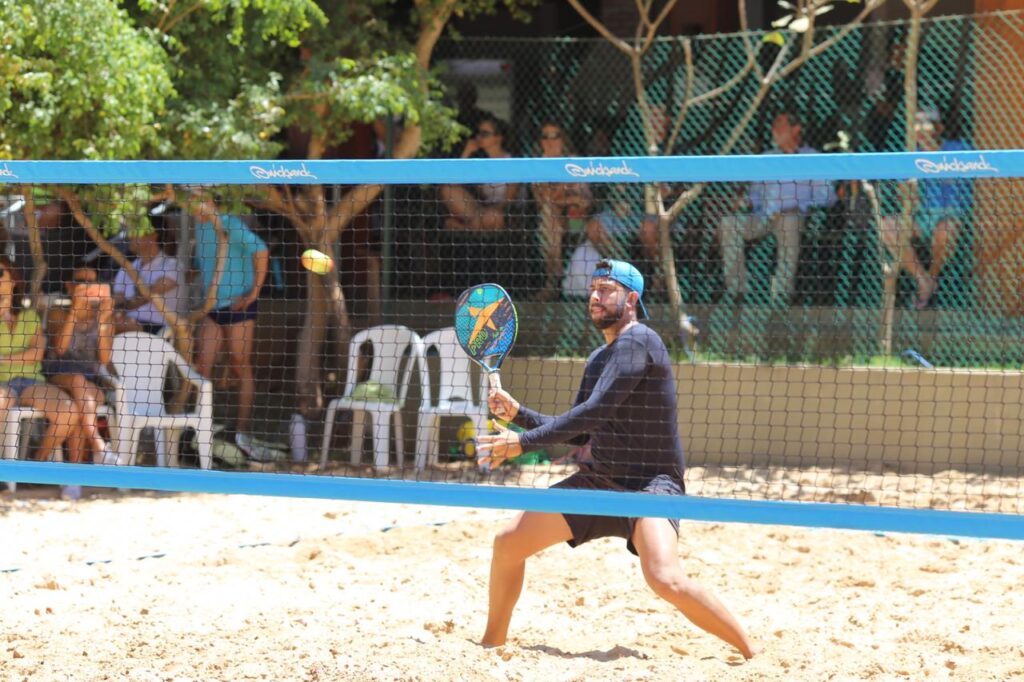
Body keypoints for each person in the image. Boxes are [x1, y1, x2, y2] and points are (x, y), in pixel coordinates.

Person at [476, 259, 757, 660]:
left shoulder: (639, 341)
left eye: (606, 289)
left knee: (665, 579)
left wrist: (523, 442)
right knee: (507, 543)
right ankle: (491, 643)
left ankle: (752, 653)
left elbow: (596, 411)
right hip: (599, 482)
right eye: (593, 288)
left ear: (632, 298)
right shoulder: (599, 358)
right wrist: (519, 414)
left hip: (650, 487)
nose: (594, 296)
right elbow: (581, 432)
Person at [716, 111, 836, 303]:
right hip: (763, 217)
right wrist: (745, 202)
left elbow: (827, 197)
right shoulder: (766, 157)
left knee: (789, 224)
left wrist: (799, 207)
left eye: (780, 125)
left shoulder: (812, 157)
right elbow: (755, 195)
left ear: (796, 129)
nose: (774, 130)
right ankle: (736, 290)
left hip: (794, 217)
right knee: (729, 224)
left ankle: (781, 294)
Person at [188, 192, 273, 461]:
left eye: (198, 199)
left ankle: (242, 432)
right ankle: (201, 427)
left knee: (239, 364)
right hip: (212, 307)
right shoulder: (200, 228)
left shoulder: (231, 224)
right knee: (202, 366)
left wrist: (254, 293)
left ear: (212, 201)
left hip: (240, 305)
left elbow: (261, 251)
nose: (193, 205)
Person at [0, 258, 82, 496]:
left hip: (30, 382)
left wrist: (4, 359)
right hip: (1, 383)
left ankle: (35, 467)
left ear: (13, 281)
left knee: (68, 411)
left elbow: (38, 353)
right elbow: (31, 353)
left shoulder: (28, 316)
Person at [878, 108, 971, 309]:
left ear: (939, 128)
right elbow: (905, 199)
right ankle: (924, 281)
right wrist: (908, 195)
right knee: (887, 227)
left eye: (925, 122)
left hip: (950, 215)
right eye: (915, 122)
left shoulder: (958, 150)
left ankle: (933, 276)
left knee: (945, 232)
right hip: (921, 217)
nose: (919, 128)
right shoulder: (910, 154)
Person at [43, 267, 117, 466]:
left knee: (79, 405)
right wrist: (75, 312)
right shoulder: (57, 312)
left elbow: (104, 359)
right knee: (78, 382)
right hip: (58, 376)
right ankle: (99, 446)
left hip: (91, 382)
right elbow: (59, 348)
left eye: (91, 282)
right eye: (80, 281)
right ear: (69, 285)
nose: (85, 285)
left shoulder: (104, 316)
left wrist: (102, 322)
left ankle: (72, 480)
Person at [530, 122, 593, 300]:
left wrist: (563, 197)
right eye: (545, 137)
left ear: (563, 140)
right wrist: (567, 191)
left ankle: (554, 280)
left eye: (555, 136)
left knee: (555, 216)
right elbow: (542, 200)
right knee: (550, 218)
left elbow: (585, 201)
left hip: (577, 217)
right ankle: (554, 279)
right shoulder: (537, 164)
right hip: (551, 218)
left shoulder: (574, 161)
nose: (550, 141)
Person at [439, 115, 520, 232]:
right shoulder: (480, 160)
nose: (479, 137)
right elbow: (452, 180)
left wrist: (489, 212)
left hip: (503, 212)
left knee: (494, 216)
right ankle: (477, 225)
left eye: (485, 134)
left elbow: (509, 201)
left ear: (498, 138)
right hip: (481, 209)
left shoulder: (511, 162)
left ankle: (465, 228)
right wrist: (467, 152)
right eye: (478, 133)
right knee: (448, 189)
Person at [111, 230, 180, 336]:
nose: (130, 236)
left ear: (153, 235)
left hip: (158, 329)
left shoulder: (172, 265)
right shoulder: (126, 268)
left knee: (108, 325)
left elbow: (146, 296)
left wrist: (121, 308)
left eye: (136, 231)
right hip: (128, 324)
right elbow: (117, 300)